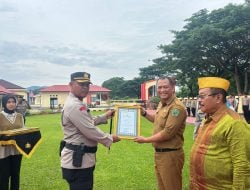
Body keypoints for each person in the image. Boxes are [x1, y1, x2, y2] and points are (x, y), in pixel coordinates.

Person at [60, 72, 120, 190]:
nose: (85, 87)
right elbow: (89, 130)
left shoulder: (76, 103)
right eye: (81, 84)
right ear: (70, 85)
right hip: (78, 163)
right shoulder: (75, 105)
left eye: (87, 85)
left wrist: (105, 116)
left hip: (80, 160)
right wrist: (110, 138)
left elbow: (86, 122)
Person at [190, 77, 250, 189]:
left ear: (218, 98)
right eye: (199, 97)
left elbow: (242, 165)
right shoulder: (208, 117)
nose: (199, 100)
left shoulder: (234, 123)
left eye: (202, 96)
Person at [134, 77, 187, 190]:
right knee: (162, 187)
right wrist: (144, 113)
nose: (162, 90)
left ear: (173, 88)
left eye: (165, 87)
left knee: (172, 187)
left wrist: (145, 140)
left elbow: (168, 133)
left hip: (170, 155)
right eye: (159, 87)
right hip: (160, 154)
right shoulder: (163, 103)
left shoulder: (176, 107)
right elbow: (157, 120)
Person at [0, 94, 25, 190]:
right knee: (3, 176)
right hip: (3, 152)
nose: (11, 104)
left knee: (15, 174)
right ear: (4, 103)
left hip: (17, 150)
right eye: (9, 102)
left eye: (13, 102)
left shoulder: (20, 116)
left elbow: (23, 131)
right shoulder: (0, 116)